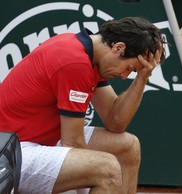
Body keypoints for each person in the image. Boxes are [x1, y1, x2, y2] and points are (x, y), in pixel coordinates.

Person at [0, 16, 166, 194]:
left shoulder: (90, 56)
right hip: (10, 154)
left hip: (39, 141)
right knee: (107, 170)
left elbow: (115, 121)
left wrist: (142, 78)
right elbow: (72, 143)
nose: (125, 76)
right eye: (130, 69)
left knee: (128, 146)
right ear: (118, 48)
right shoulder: (75, 63)